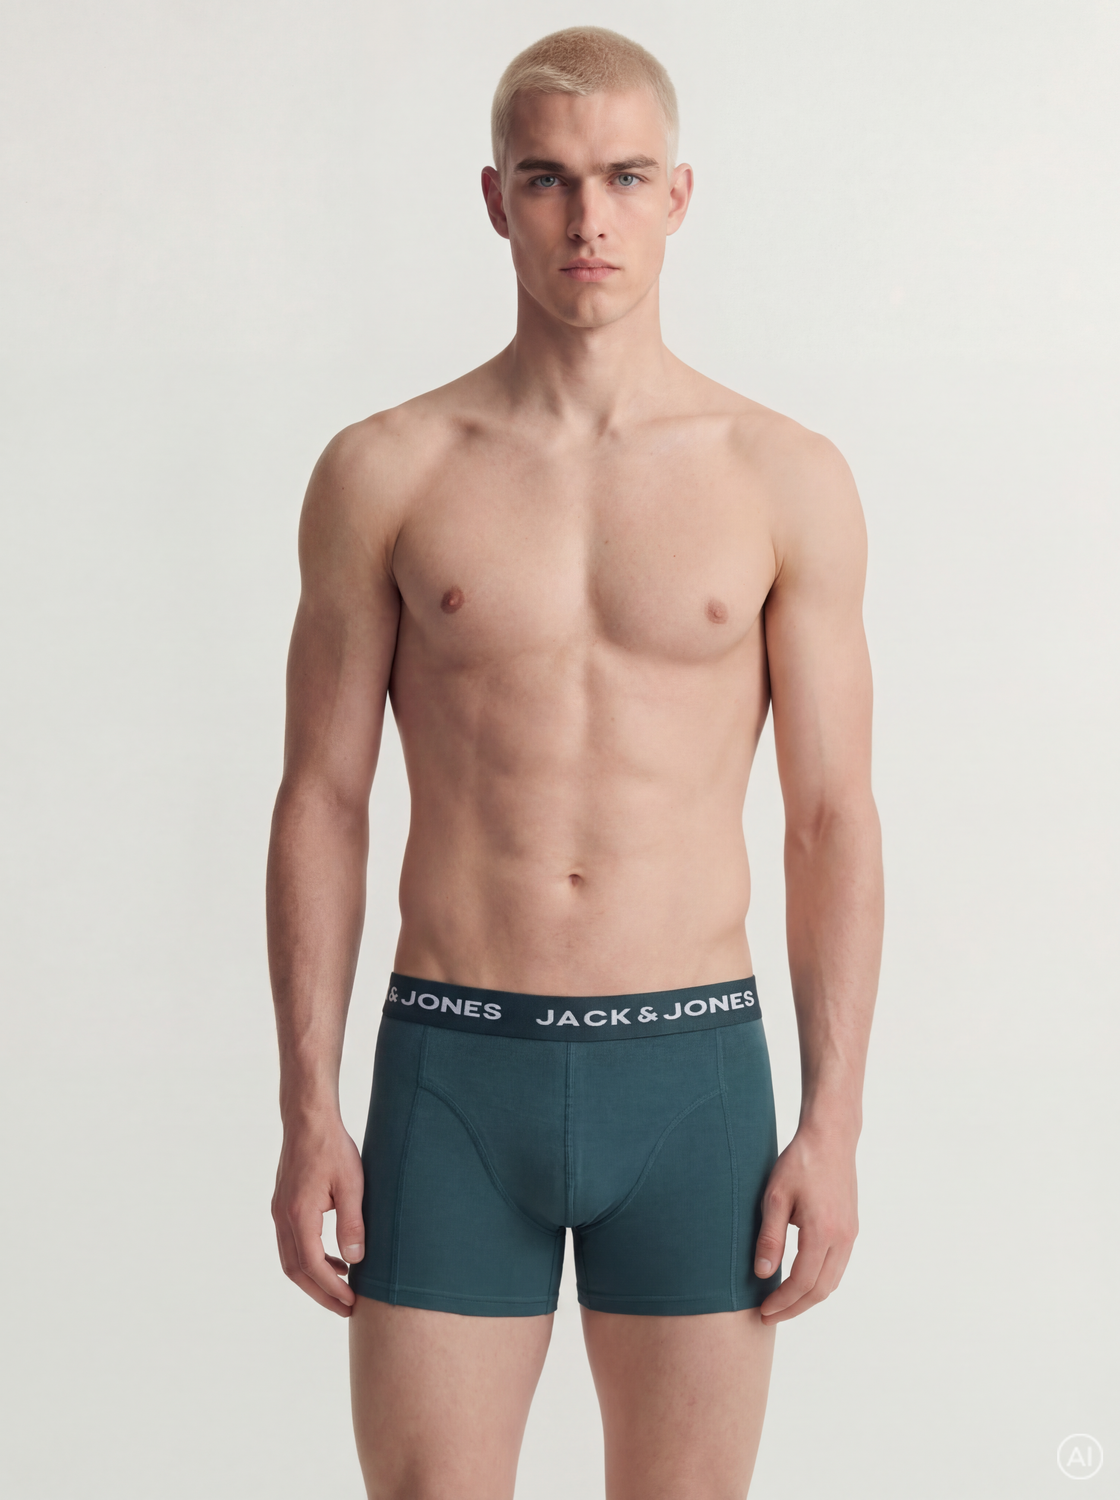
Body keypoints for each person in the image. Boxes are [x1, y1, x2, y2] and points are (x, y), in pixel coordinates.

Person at [266, 24, 883, 1500]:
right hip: (453, 1069)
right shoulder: (388, 468)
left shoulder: (781, 476)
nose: (587, 217)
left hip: (694, 1079)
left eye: (625, 177)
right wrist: (306, 1106)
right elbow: (323, 801)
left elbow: (830, 820)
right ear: (496, 200)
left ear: (681, 196)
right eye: (547, 179)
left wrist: (834, 1122)